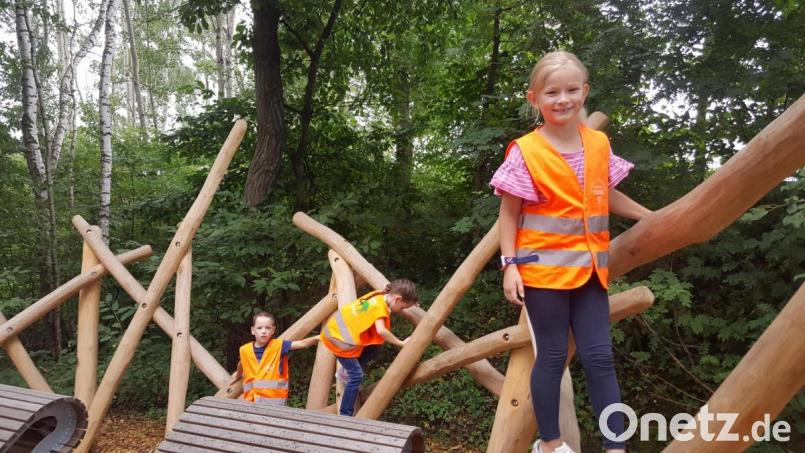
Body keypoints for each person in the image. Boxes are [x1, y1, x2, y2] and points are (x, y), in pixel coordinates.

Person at [491, 51, 652, 453]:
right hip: (543, 273)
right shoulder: (526, 150)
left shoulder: (597, 143)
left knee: (600, 358)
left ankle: (616, 446)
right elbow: (508, 214)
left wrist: (653, 217)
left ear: (585, 91)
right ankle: (551, 444)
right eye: (552, 92)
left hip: (592, 272)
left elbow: (606, 194)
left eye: (571, 90)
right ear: (535, 98)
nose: (563, 100)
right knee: (551, 356)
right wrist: (509, 266)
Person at [319, 279, 419, 416]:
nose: (401, 311)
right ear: (397, 299)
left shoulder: (379, 295)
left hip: (336, 332)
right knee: (356, 376)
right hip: (339, 341)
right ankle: (345, 414)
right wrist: (401, 343)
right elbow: (381, 331)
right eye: (403, 308)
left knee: (375, 347)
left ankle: (345, 372)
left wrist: (413, 302)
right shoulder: (380, 308)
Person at [230, 311, 319, 405]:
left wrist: (317, 338)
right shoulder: (245, 350)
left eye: (267, 328)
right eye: (259, 328)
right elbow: (242, 363)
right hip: (251, 402)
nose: (263, 331)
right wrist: (238, 375)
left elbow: (301, 344)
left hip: (274, 405)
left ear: (273, 330)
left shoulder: (279, 346)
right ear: (253, 330)